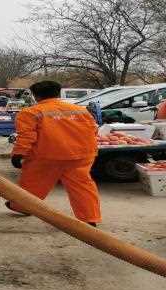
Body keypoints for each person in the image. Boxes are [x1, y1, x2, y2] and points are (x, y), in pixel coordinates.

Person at [7, 80, 101, 226]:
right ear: (58, 93)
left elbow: (27, 136)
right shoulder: (80, 110)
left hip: (48, 156)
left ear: (35, 96)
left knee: (32, 183)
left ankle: (22, 206)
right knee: (82, 186)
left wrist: (18, 154)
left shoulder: (30, 113)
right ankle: (89, 219)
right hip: (82, 155)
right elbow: (93, 130)